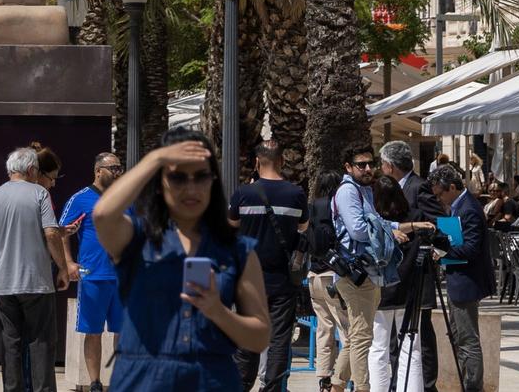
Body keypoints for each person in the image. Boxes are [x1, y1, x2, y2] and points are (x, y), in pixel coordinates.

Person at [89, 127, 269, 389]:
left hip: (210, 378)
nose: (190, 188)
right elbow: (103, 214)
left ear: (213, 181)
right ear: (159, 183)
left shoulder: (236, 250)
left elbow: (259, 336)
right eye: (178, 178)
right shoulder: (137, 239)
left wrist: (217, 311)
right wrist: (156, 158)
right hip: (143, 379)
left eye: (201, 176)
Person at [0, 145, 70, 392]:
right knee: (41, 342)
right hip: (36, 282)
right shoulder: (39, 194)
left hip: (3, 285)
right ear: (31, 169)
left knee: (11, 343)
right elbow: (50, 233)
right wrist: (62, 267)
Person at [234, 140, 308, 392]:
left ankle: (242, 384)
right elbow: (303, 229)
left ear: (257, 162)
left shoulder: (243, 194)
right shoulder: (296, 194)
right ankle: (273, 387)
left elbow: (229, 227)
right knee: (279, 338)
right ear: (282, 162)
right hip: (283, 279)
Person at [62, 152, 127, 392]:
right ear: (98, 171)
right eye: (113, 168)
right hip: (93, 276)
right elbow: (61, 233)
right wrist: (68, 263)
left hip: (122, 277)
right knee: (93, 332)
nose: (118, 173)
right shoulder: (80, 199)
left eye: (120, 168)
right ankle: (95, 382)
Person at [424, 162, 492, 392]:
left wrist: (443, 250)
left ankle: (473, 386)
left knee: (467, 339)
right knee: (458, 336)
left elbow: (472, 248)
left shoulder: (468, 208)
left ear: (452, 187)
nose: (439, 199)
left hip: (466, 282)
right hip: (458, 279)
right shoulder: (458, 206)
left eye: (440, 194)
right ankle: (468, 382)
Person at [381, 140, 441, 392]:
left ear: (391, 166)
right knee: (398, 336)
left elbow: (438, 221)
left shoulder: (418, 188)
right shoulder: (392, 189)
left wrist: (434, 251)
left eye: (382, 164)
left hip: (417, 273)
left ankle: (427, 385)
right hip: (397, 276)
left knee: (421, 333)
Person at [368, 175, 437, 392]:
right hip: (410, 290)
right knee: (411, 347)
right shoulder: (417, 217)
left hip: (381, 291)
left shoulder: (374, 220)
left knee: (378, 348)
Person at [328, 145, 384, 392]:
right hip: (355, 273)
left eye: (371, 163)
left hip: (364, 272)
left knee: (354, 337)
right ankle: (362, 388)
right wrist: (387, 232)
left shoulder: (364, 190)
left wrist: (403, 227)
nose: (368, 168)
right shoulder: (349, 191)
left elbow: (375, 223)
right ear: (348, 167)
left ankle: (336, 385)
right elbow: (359, 230)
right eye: (361, 165)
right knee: (362, 338)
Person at [306, 163, 352, 392]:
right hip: (332, 276)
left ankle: (323, 378)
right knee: (348, 332)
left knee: (324, 329)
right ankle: (343, 380)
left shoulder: (312, 207)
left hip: (313, 275)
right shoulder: (335, 208)